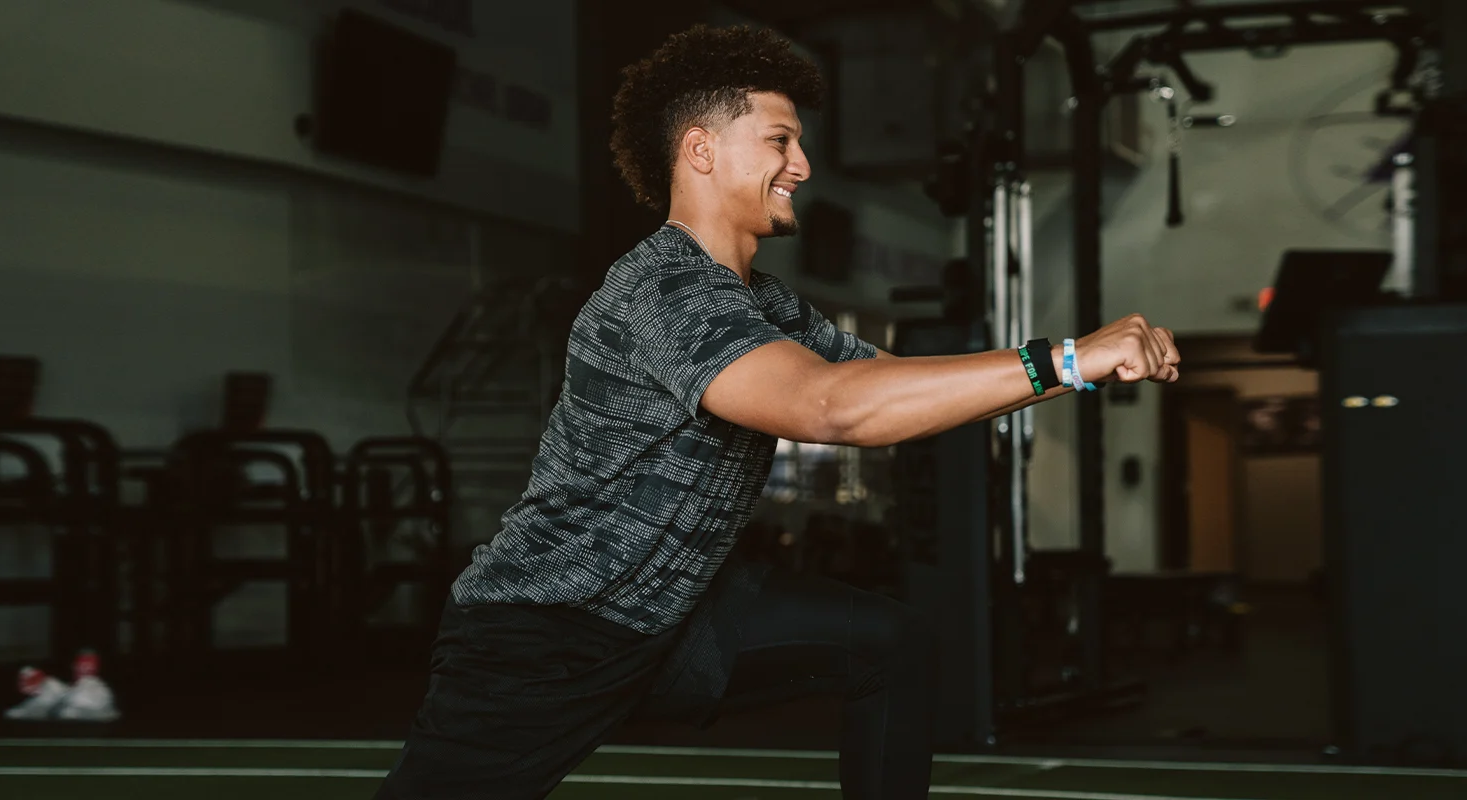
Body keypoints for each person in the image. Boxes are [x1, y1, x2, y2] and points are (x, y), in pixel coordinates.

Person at [375, 23, 1180, 800]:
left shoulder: (765, 304)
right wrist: (1065, 359)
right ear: (701, 150)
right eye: (779, 141)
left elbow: (889, 386)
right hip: (546, 631)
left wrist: (1077, 366)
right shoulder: (666, 288)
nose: (802, 164)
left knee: (891, 644)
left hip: (675, 613)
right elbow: (832, 409)